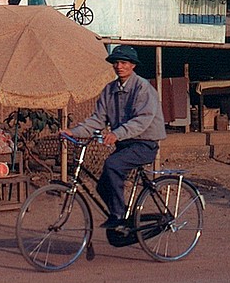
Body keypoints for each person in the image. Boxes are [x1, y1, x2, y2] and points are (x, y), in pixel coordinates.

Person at [61, 45, 166, 231]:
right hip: (125, 144)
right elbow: (98, 119)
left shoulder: (143, 88)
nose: (119, 66)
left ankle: (118, 215)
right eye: (116, 63)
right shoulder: (109, 90)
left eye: (124, 63)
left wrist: (117, 133)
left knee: (112, 165)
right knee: (102, 186)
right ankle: (124, 216)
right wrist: (74, 131)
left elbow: (142, 120)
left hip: (145, 143)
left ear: (133, 65)